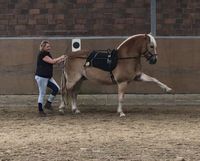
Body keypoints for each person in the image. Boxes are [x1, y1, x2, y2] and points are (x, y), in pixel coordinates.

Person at [35, 40, 65, 116]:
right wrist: (61, 57)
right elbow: (52, 61)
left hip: (48, 76)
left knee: (56, 89)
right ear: (43, 47)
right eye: (47, 46)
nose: (49, 48)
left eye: (49, 46)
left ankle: (48, 104)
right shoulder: (42, 54)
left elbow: (54, 62)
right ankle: (40, 110)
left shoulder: (47, 54)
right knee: (42, 93)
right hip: (42, 77)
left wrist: (62, 59)